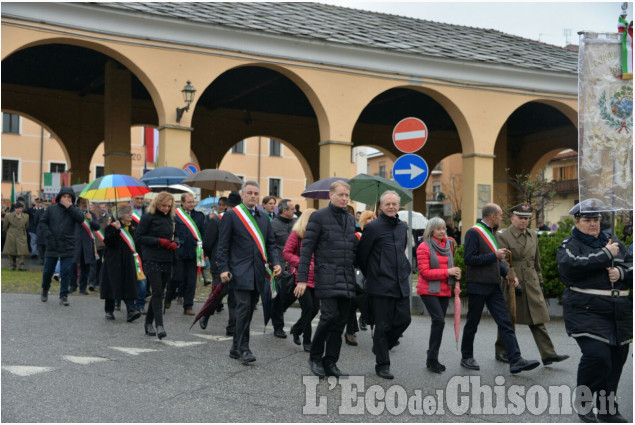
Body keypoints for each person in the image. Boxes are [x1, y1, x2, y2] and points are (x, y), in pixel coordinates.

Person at [557, 199, 632, 423]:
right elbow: (570, 267)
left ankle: (607, 408)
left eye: (596, 219)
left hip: (618, 313)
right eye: (588, 220)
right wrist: (605, 255)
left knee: (616, 361)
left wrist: (621, 273)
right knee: (597, 356)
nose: (593, 224)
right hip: (585, 310)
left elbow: (630, 264)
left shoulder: (613, 241)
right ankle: (584, 403)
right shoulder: (570, 244)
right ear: (577, 221)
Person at [460, 203, 540, 374]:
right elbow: (469, 259)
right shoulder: (474, 232)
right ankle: (466, 356)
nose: (502, 218)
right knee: (472, 323)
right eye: (500, 215)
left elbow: (496, 261)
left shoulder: (492, 232)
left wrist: (508, 275)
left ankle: (516, 360)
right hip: (478, 285)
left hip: (493, 284)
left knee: (505, 322)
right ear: (492, 216)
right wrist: (493, 255)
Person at [295, 180, 357, 378]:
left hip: (347, 278)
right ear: (331, 195)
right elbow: (306, 251)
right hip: (327, 276)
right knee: (328, 317)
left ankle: (331, 362)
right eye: (341, 195)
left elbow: (352, 250)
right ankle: (315, 357)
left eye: (347, 195)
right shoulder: (319, 217)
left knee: (340, 323)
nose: (344, 198)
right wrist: (302, 279)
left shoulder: (349, 219)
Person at [496, 204, 569, 366]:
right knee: (509, 318)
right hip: (513, 282)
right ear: (512, 218)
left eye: (526, 218)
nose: (524, 221)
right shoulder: (503, 235)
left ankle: (548, 354)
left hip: (531, 281)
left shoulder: (532, 235)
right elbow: (503, 260)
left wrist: (540, 281)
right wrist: (510, 278)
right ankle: (502, 351)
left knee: (537, 319)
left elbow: (537, 261)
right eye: (521, 218)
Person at [217, 181, 281, 364]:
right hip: (239, 271)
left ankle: (235, 347)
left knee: (249, 309)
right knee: (244, 308)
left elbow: (270, 243)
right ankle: (244, 348)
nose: (253, 196)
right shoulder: (232, 215)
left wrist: (275, 262)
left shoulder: (263, 218)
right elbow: (223, 245)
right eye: (250, 193)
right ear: (243, 194)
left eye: (256, 193)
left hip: (258, 272)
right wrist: (223, 268)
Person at [356, 191, 412, 379]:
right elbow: (362, 256)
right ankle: (383, 364)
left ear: (399, 206)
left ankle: (380, 347)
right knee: (382, 325)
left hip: (400, 282)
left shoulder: (402, 227)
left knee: (404, 319)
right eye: (387, 204)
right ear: (380, 207)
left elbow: (402, 250)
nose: (391, 207)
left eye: (394, 204)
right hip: (380, 283)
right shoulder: (373, 227)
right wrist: (374, 273)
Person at [416, 216, 461, 374]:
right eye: (439, 229)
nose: (442, 231)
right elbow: (425, 272)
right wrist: (448, 272)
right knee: (439, 321)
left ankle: (431, 357)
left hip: (444, 289)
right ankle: (433, 358)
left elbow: (450, 265)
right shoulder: (424, 247)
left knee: (438, 324)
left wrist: (455, 273)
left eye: (444, 229)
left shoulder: (448, 246)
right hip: (428, 290)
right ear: (431, 230)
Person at [135, 191, 177, 340]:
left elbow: (177, 234)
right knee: (157, 291)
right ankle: (160, 325)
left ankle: (148, 323)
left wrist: (175, 242)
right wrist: (158, 241)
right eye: (163, 205)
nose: (166, 208)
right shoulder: (148, 217)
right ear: (157, 204)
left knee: (159, 292)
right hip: (151, 258)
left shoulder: (171, 218)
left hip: (166, 258)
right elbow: (139, 238)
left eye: (168, 206)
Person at [200, 191, 241, 331]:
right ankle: (206, 313)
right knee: (218, 293)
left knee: (235, 296)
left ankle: (232, 326)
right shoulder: (217, 220)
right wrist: (213, 257)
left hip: (235, 263)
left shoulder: (241, 221)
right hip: (219, 262)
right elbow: (207, 242)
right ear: (227, 207)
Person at [38, 186, 85, 306]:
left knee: (66, 271)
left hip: (68, 244)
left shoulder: (74, 209)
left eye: (69, 197)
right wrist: (48, 235)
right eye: (64, 196)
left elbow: (81, 219)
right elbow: (43, 222)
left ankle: (63, 295)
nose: (66, 199)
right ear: (59, 197)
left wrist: (70, 207)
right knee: (48, 270)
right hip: (52, 243)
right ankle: (45, 289)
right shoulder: (51, 209)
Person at [100, 204, 142, 322]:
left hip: (128, 261)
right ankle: (109, 311)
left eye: (131, 212)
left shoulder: (133, 227)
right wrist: (116, 230)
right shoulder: (111, 227)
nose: (130, 215)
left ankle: (131, 311)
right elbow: (108, 242)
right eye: (127, 212)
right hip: (113, 261)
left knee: (129, 285)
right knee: (112, 285)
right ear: (120, 215)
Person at [283, 208, 318, 352]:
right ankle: (307, 341)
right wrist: (301, 263)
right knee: (308, 308)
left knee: (315, 309)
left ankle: (296, 329)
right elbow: (286, 253)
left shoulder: (319, 235)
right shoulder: (297, 234)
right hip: (301, 278)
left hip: (316, 279)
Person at [166, 193, 206, 315]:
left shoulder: (199, 216)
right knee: (177, 277)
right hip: (180, 251)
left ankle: (188, 305)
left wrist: (204, 250)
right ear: (182, 203)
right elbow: (172, 232)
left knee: (191, 280)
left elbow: (203, 233)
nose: (191, 204)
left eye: (192, 202)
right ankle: (169, 296)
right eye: (189, 202)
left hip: (194, 252)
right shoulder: (176, 216)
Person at [270, 198, 297, 338]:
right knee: (279, 297)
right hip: (279, 266)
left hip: (294, 266)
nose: (295, 211)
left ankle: (277, 312)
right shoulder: (273, 225)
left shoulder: (296, 223)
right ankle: (278, 326)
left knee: (293, 294)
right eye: (292, 209)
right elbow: (270, 246)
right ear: (284, 210)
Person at [71, 197, 100, 295]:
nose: (84, 204)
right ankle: (73, 286)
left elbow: (97, 227)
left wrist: (91, 219)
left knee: (86, 267)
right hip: (76, 243)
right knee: (73, 265)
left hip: (87, 244)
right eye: (82, 202)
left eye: (86, 202)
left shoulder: (92, 215)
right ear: (78, 204)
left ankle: (83, 288)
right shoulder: (74, 214)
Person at [355, 211, 377, 333]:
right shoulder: (358, 235)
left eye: (374, 217)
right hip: (361, 271)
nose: (373, 219)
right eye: (369, 218)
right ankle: (361, 320)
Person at [3, 202, 29, 271]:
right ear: (15, 209)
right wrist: (10, 232)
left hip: (21, 234)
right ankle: (12, 265)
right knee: (11, 251)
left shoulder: (26, 216)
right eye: (17, 208)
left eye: (20, 208)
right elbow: (5, 226)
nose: (19, 210)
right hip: (11, 234)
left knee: (22, 251)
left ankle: (21, 265)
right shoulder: (8, 216)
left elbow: (26, 226)